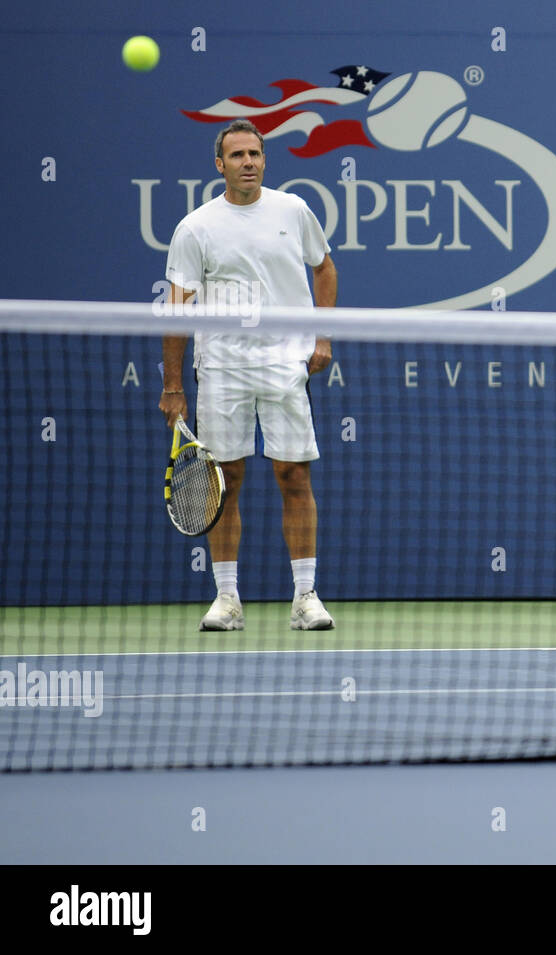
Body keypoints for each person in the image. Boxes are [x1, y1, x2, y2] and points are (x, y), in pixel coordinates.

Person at [159, 118, 338, 632]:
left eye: (255, 154)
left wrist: (321, 336)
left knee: (293, 475)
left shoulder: (293, 211)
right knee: (226, 480)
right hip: (221, 367)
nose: (248, 163)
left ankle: (306, 596)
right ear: (220, 165)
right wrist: (174, 385)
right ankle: (227, 598)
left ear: (265, 159)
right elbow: (177, 309)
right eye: (237, 156)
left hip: (284, 363)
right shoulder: (196, 227)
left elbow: (324, 267)